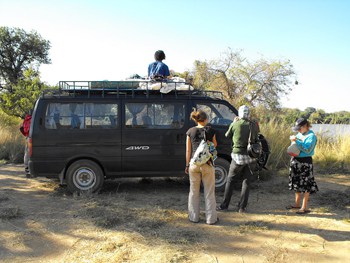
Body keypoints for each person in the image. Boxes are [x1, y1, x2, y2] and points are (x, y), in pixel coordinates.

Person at [217, 105, 259, 213]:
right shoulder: (254, 125)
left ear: (239, 113)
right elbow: (256, 137)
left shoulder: (235, 124)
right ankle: (242, 207)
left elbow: (227, 135)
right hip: (251, 156)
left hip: (237, 156)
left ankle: (224, 205)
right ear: (248, 113)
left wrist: (234, 122)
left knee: (230, 180)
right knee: (246, 181)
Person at [185, 110, 218, 225]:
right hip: (207, 164)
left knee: (194, 192)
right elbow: (215, 145)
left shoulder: (190, 131)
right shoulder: (211, 131)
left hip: (194, 164)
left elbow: (188, 150)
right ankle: (211, 219)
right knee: (209, 192)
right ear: (205, 120)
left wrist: (187, 164)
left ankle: (194, 217)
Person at [287, 118, 318, 214]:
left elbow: (307, 149)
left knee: (306, 184)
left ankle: (303, 207)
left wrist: (297, 141)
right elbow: (295, 146)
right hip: (296, 160)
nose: (298, 131)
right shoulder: (300, 134)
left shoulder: (311, 136)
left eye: (299, 129)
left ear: (305, 126)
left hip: (305, 162)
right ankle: (297, 204)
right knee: (296, 182)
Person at [20, 111, 32, 178]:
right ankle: (30, 170)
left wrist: (25, 135)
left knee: (26, 153)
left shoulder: (26, 119)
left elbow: (22, 128)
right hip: (31, 137)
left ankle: (26, 168)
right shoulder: (32, 119)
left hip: (27, 137)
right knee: (30, 153)